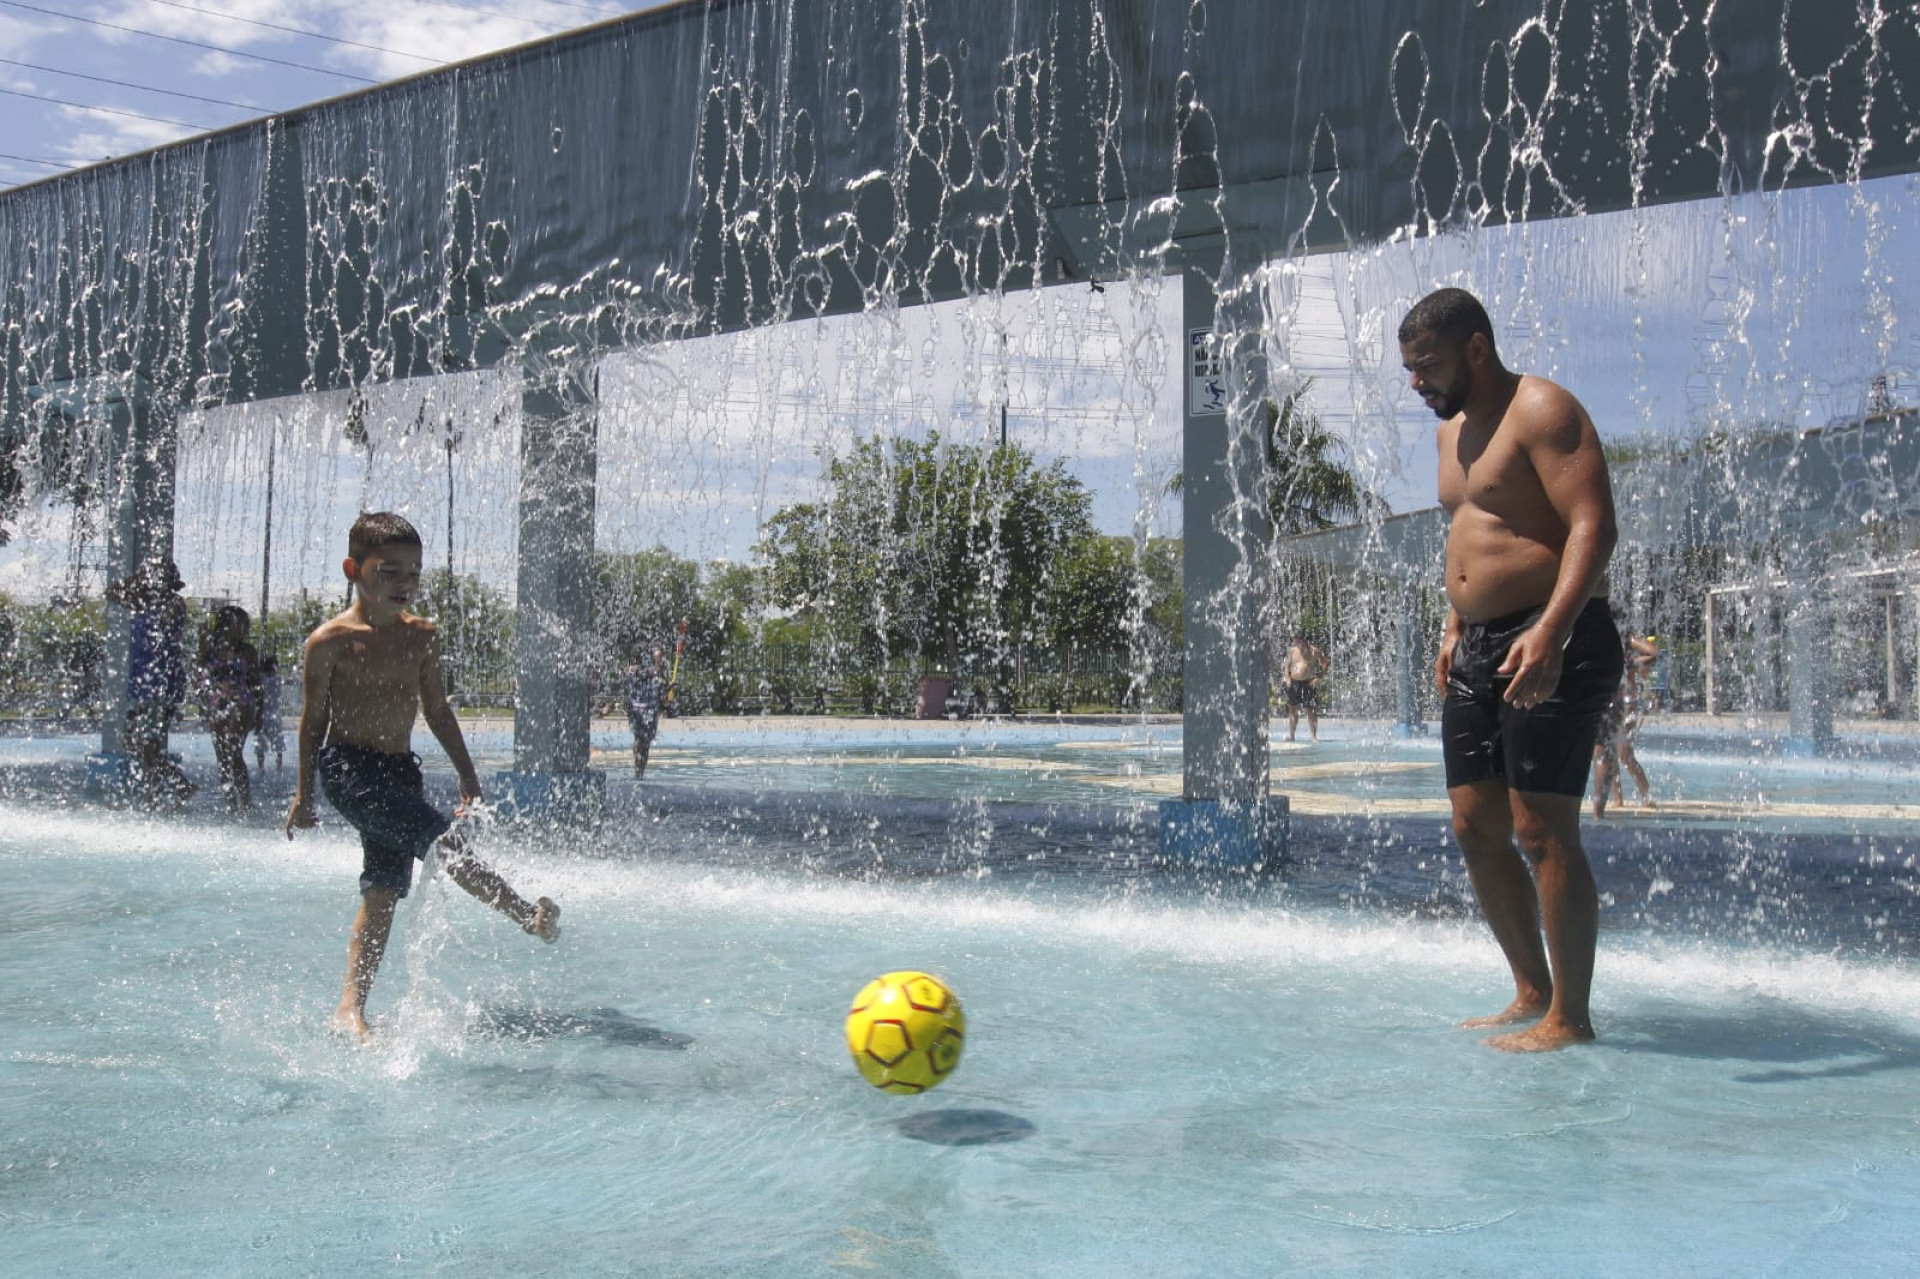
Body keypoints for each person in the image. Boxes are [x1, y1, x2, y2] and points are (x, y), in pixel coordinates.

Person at [1401, 287, 1623, 1052]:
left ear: (1476, 348)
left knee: (1542, 828)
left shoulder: (1543, 410)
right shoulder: (1450, 435)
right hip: (1479, 643)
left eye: (1427, 366)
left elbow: (1595, 523)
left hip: (1554, 635)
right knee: (1474, 822)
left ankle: (1572, 1014)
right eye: (1409, 370)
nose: (1417, 383)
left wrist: (1554, 631)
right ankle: (1532, 986)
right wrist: (1455, 619)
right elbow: (1474, 531)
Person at [284, 512, 560, 1042]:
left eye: (413, 572)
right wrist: (303, 794)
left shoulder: (422, 637)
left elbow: (436, 710)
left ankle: (350, 1008)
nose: (404, 584)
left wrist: (467, 776)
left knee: (383, 891)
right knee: (442, 843)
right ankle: (526, 914)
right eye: (389, 571)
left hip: (398, 772)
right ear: (354, 570)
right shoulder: (329, 641)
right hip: (348, 770)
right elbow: (312, 722)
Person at [105, 557, 196, 809]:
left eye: (153, 574)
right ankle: (174, 787)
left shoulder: (173, 603)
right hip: (142, 681)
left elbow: (167, 624)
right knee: (137, 742)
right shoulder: (144, 601)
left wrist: (146, 591)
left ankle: (156, 796)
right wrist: (136, 580)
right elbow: (110, 593)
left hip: (160, 684)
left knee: (146, 744)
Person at [199, 604, 263, 813]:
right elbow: (198, 671)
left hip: (242, 703)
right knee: (222, 756)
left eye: (245, 624)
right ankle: (230, 802)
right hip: (217, 703)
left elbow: (256, 682)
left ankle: (245, 801)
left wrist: (259, 712)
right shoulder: (210, 648)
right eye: (239, 623)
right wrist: (201, 644)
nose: (243, 628)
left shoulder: (247, 651)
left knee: (234, 752)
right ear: (226, 625)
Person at [1592, 630, 1658, 818]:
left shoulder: (1628, 637)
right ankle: (1617, 799)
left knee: (1624, 753)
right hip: (1612, 699)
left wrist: (1629, 665)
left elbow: (1654, 653)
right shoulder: (1607, 638)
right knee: (1608, 750)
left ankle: (1647, 797)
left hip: (1628, 703)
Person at [1282, 631, 1330, 743]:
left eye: (1297, 639)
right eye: (1294, 640)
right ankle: (1291, 735)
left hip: (1308, 683)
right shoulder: (1292, 651)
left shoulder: (1314, 651)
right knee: (1293, 710)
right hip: (1294, 683)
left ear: (1303, 640)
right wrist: (1287, 678)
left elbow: (1326, 663)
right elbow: (1286, 666)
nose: (1295, 642)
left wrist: (1319, 677)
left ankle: (1313, 736)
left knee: (1311, 710)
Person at [625, 647, 666, 777]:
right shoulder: (633, 670)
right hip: (637, 710)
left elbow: (657, 684)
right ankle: (637, 769)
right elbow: (645, 673)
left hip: (650, 710)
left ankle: (640, 772)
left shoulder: (650, 672)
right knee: (639, 739)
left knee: (646, 742)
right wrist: (656, 668)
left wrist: (667, 687)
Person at [253, 652, 285, 773]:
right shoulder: (278, 680)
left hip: (261, 716)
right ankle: (279, 768)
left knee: (260, 745)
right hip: (275, 716)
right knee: (278, 745)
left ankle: (261, 768)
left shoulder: (261, 680)